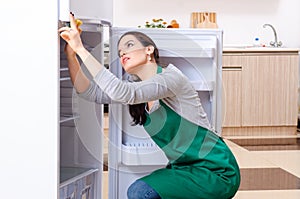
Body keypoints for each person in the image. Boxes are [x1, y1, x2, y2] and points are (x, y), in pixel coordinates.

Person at [59, 13, 240, 199]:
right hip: (184, 169)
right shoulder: (138, 90)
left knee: (140, 192)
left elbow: (121, 92)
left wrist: (81, 48)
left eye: (129, 46)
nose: (123, 54)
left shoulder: (171, 79)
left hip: (216, 171)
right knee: (140, 190)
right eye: (120, 53)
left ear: (149, 50)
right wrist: (71, 54)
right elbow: (89, 92)